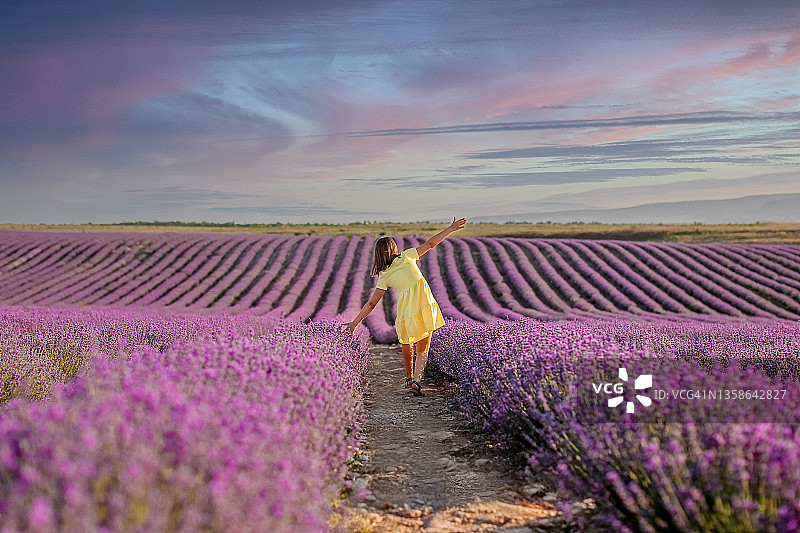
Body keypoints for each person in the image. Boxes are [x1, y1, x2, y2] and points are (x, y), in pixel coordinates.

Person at [343, 217, 467, 396]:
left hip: (406, 310)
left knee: (406, 342)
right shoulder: (407, 256)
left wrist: (354, 323)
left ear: (378, 255)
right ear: (394, 248)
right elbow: (431, 244)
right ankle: (416, 380)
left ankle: (409, 378)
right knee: (422, 349)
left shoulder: (384, 275)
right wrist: (450, 229)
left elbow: (372, 303)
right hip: (424, 304)